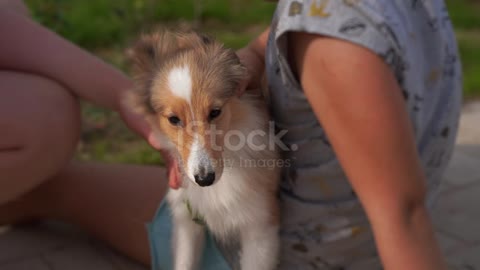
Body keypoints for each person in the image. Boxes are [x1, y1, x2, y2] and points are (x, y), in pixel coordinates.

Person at [0, 0, 462, 269]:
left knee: (78, 192)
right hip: (279, 194)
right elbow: (281, 30)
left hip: (292, 248)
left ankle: (35, 194)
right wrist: (249, 61)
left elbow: (403, 215)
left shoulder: (335, 44)